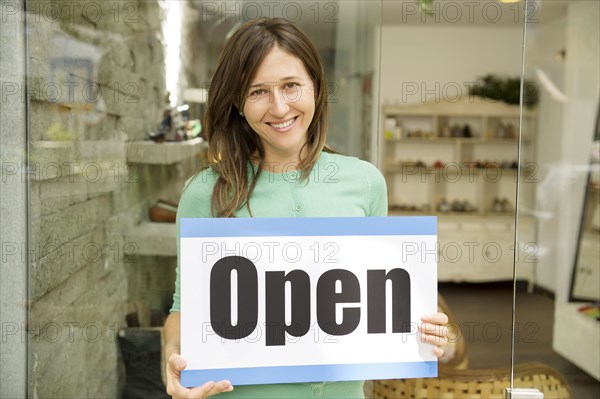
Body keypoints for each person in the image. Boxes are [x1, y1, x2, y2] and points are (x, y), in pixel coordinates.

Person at [164, 17, 449, 399]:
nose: (279, 107)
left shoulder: (364, 182)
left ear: (316, 87)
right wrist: (172, 354)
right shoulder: (206, 192)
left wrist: (419, 328)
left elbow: (374, 306)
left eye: (291, 86)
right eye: (258, 92)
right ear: (237, 102)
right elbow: (184, 310)